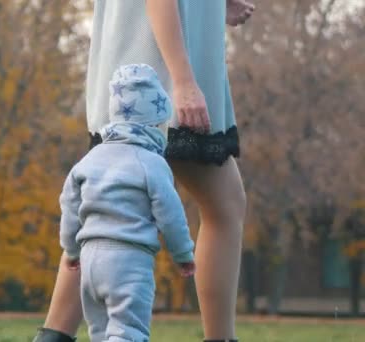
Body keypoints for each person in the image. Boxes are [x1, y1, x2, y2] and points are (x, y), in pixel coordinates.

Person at [34, 1, 254, 341]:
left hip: (136, 67)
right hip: (160, 74)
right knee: (225, 207)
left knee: (108, 208)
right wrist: (182, 82)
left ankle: (53, 336)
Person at [59, 63, 196, 341]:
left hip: (89, 261)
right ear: (156, 123)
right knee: (128, 331)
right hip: (128, 261)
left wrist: (70, 249)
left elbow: (70, 208)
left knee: (99, 331)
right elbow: (170, 214)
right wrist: (182, 253)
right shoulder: (152, 164)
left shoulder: (89, 160)